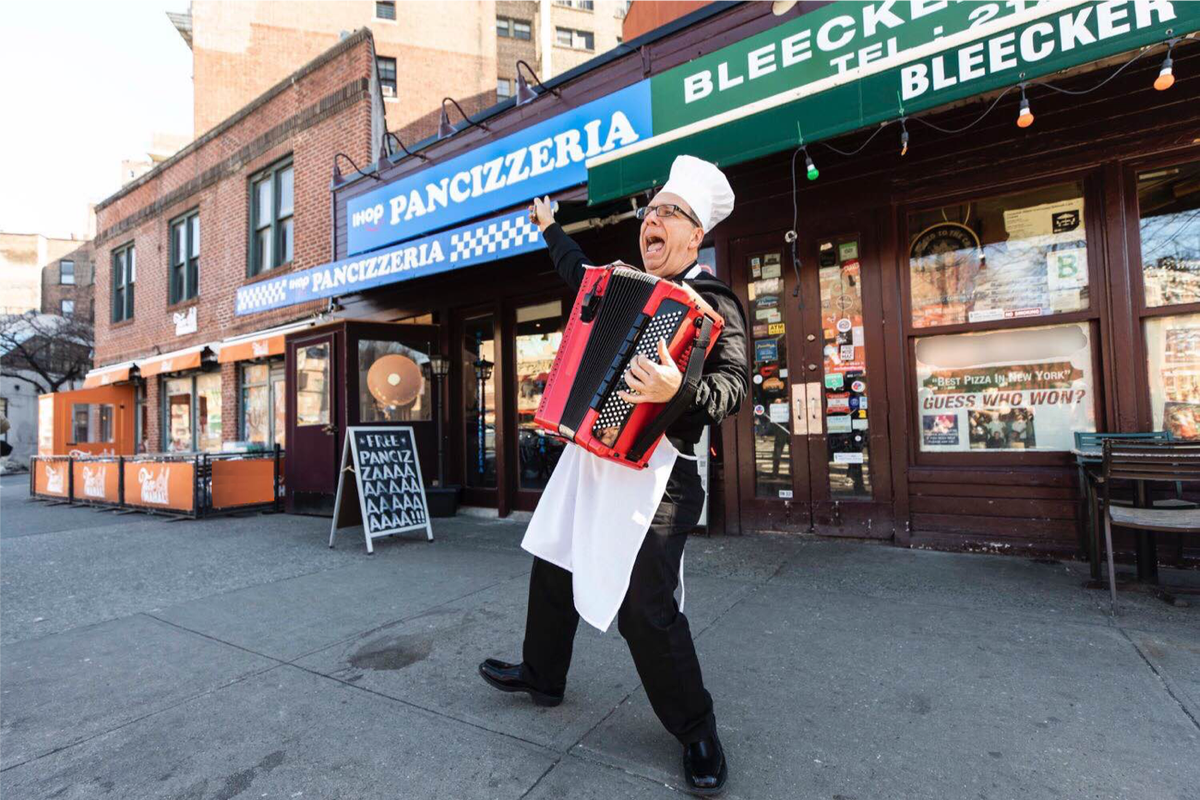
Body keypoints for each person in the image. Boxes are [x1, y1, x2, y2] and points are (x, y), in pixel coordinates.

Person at [479, 155, 748, 796]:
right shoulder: (624, 283)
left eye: (670, 213)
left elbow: (734, 387)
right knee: (553, 561)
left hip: (660, 474)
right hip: (592, 459)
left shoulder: (714, 303)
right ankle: (543, 676)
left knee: (644, 609)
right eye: (650, 210)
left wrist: (679, 389)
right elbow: (578, 279)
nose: (653, 219)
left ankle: (697, 729)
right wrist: (551, 229)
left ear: (695, 236)